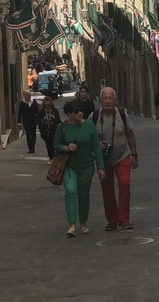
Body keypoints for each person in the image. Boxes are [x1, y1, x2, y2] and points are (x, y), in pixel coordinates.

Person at [54, 99, 105, 237]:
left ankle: (83, 223)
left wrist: (101, 167)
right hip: (69, 166)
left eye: (81, 110)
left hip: (86, 166)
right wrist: (66, 147)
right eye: (76, 111)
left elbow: (96, 147)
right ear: (69, 114)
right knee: (70, 191)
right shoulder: (62, 127)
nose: (80, 113)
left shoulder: (89, 126)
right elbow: (56, 144)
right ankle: (72, 225)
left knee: (84, 195)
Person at [93, 87, 138, 231]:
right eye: (104, 98)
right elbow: (88, 137)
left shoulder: (122, 116)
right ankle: (111, 220)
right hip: (103, 160)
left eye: (110, 98)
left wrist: (134, 154)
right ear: (100, 100)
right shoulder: (93, 117)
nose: (107, 101)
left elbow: (130, 134)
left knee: (125, 185)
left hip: (122, 156)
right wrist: (96, 144)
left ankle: (124, 219)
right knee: (107, 190)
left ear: (115, 100)